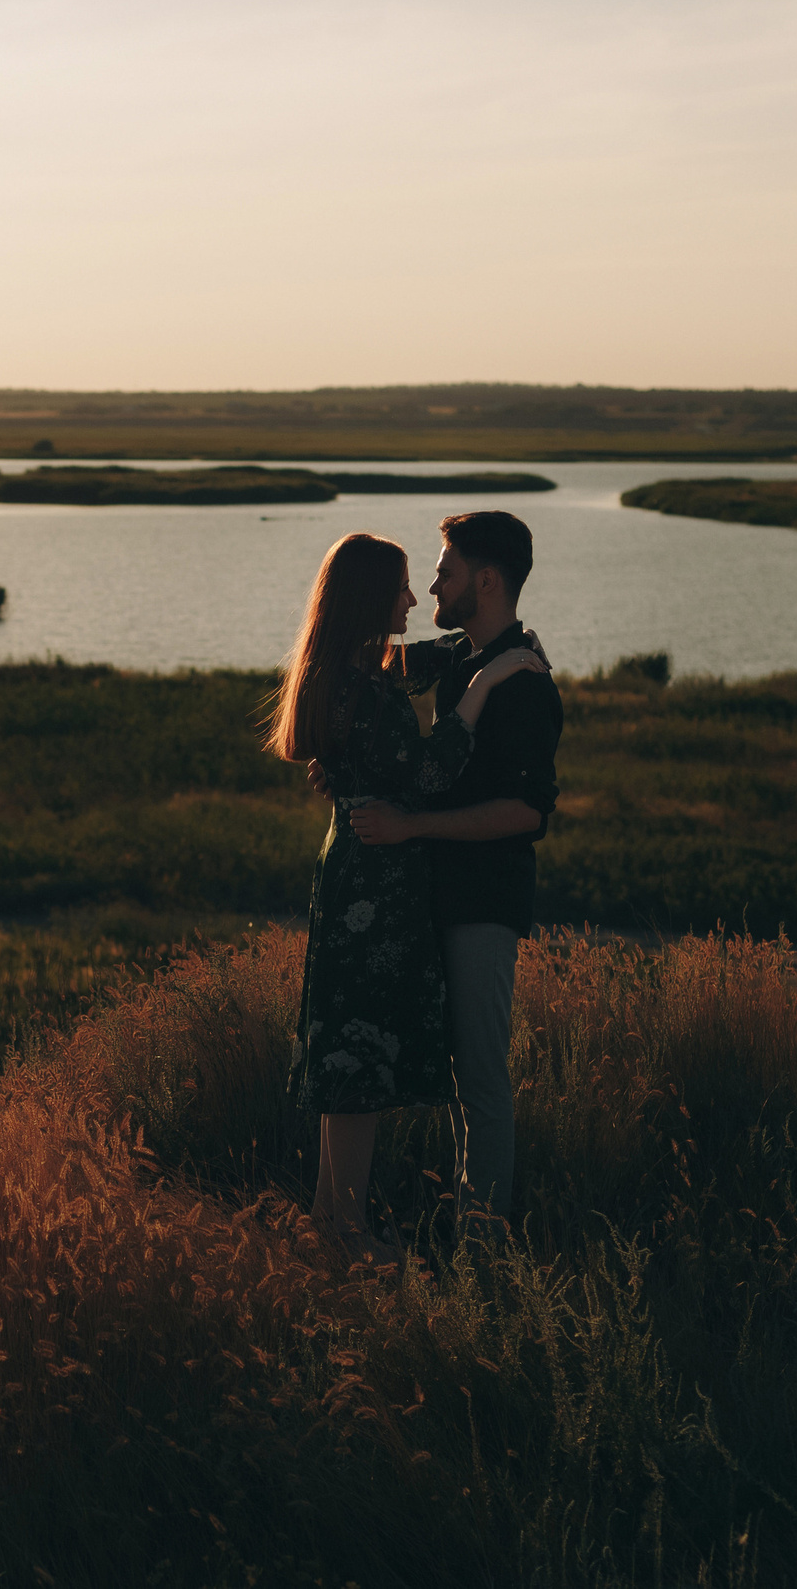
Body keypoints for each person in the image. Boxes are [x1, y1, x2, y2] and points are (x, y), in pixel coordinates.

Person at [266, 531, 550, 1266]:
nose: (415, 597)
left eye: (430, 578)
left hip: (353, 871)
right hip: (376, 880)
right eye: (401, 587)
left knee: (346, 1048)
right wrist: (486, 686)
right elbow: (426, 771)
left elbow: (433, 660)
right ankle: (351, 1230)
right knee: (358, 1055)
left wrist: (497, 653)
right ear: (370, 598)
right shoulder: (366, 688)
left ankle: (334, 1220)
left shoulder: (356, 667)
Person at [344, 511, 562, 1234]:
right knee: (444, 1073)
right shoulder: (470, 661)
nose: (432, 582)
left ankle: (483, 1242)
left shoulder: (525, 683)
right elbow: (358, 668)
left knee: (481, 1078)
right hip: (439, 897)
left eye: (444, 569)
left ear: (487, 580)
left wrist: (412, 826)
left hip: (482, 903)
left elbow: (527, 811)